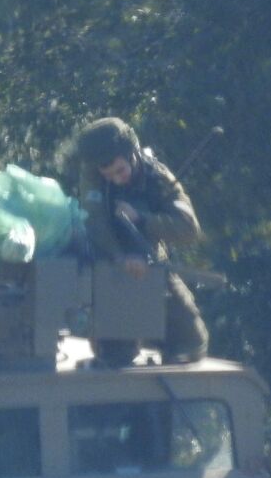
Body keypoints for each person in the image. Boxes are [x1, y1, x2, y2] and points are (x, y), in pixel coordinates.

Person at [73, 117, 210, 364]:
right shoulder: (92, 174)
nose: (115, 179)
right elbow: (95, 223)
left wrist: (143, 220)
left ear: (132, 154)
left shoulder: (157, 177)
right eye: (108, 174)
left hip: (151, 259)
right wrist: (120, 257)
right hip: (109, 262)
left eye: (120, 171)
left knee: (190, 342)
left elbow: (189, 228)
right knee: (115, 353)